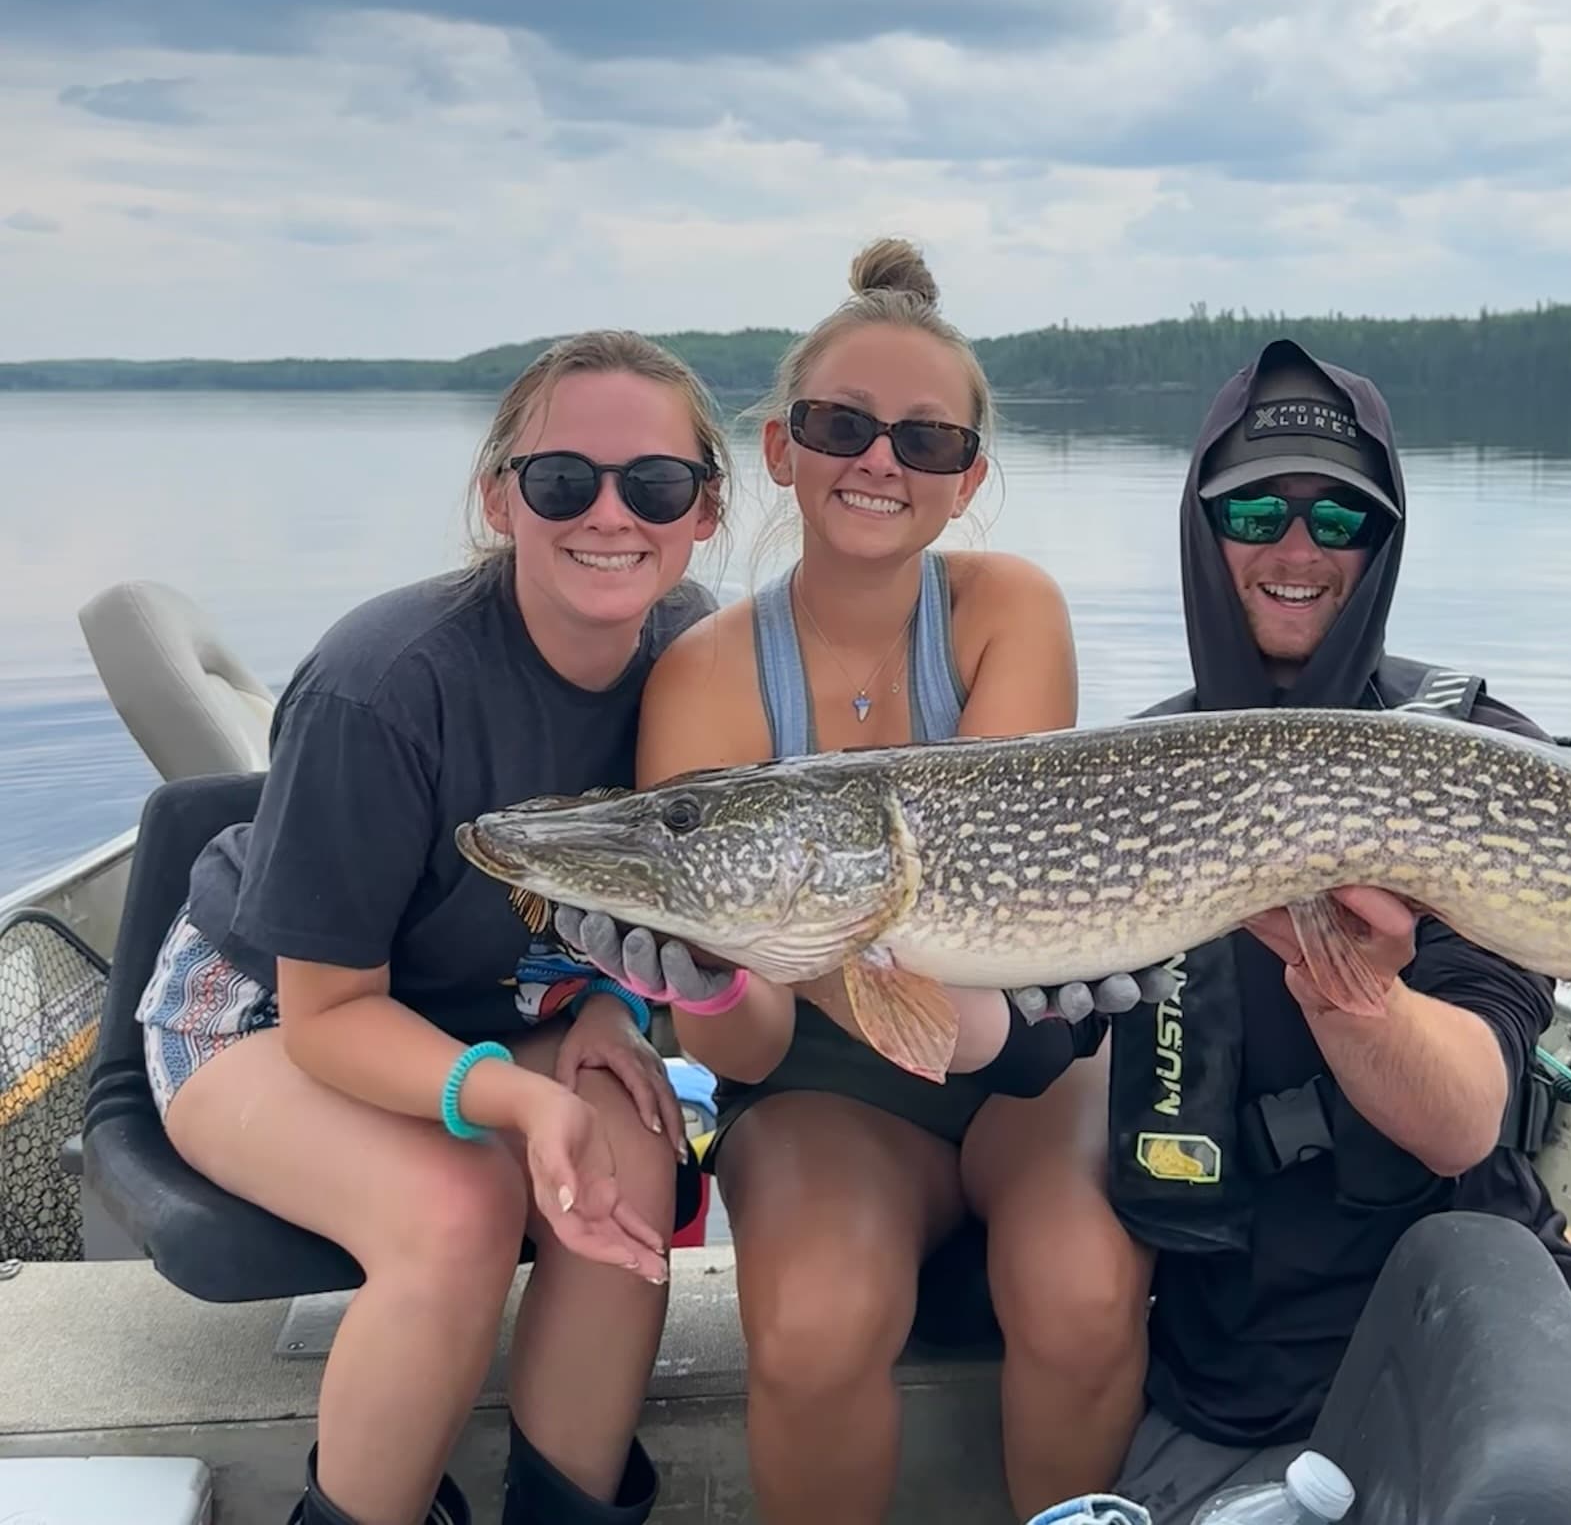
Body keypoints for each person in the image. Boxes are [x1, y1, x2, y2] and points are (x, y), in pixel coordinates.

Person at [562, 238, 1155, 1525]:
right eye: (842, 426)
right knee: (814, 1328)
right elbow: (762, 1047)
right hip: (827, 1081)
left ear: (966, 482)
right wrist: (707, 979)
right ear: (781, 449)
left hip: (1023, 1063)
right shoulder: (707, 676)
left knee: (1085, 1292)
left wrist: (825, 952)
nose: (880, 461)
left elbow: (993, 914)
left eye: (924, 443)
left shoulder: (1009, 610)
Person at [132, 330, 738, 1525]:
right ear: (499, 496)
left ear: (704, 511)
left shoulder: (690, 653)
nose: (609, 515)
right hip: (264, 1015)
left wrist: (606, 1005)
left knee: (634, 1152)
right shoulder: (383, 685)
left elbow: (635, 897)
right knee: (454, 1211)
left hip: (501, 1003)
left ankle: (564, 1507)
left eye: (655, 484)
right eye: (563, 479)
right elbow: (328, 1012)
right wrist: (522, 1097)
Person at [1103, 338, 1571, 1524]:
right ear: (1198, 526)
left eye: (1339, 518)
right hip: (1223, 1374)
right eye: (1254, 509)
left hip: (1470, 1317)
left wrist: (1356, 997)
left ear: (1381, 547)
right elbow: (994, 1049)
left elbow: (1461, 1117)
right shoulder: (1124, 776)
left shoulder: (1480, 756)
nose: (1295, 548)